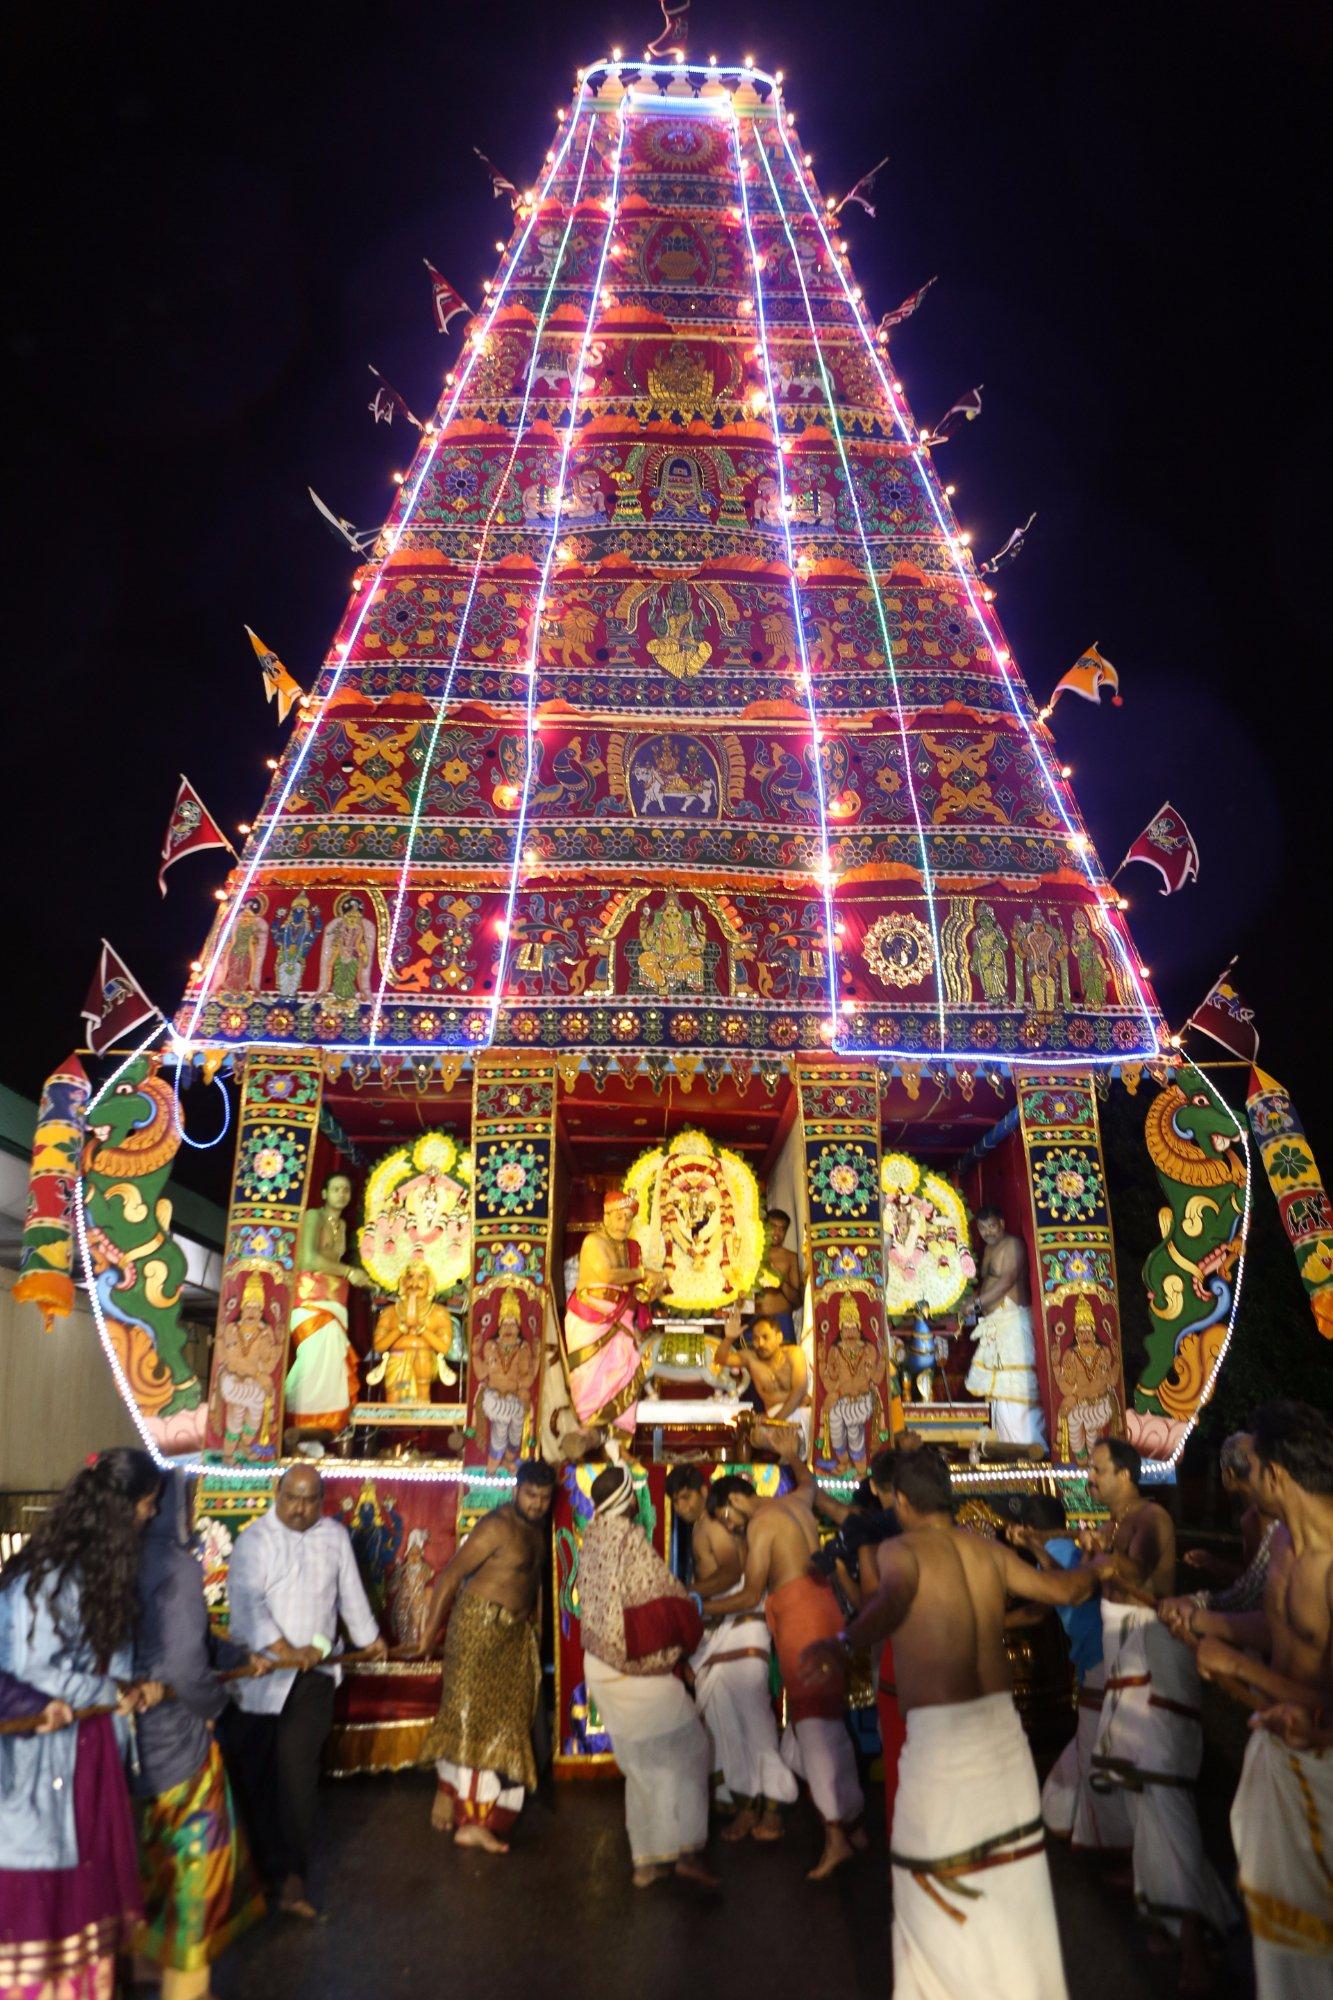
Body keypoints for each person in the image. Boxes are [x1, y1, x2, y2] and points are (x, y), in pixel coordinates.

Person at [801, 1443, 1103, 2000]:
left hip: (943, 1745)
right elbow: (1064, 1589)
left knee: (931, 1893)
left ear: (901, 1501)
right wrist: (1101, 1563)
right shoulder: (987, 1551)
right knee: (1007, 1893)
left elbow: (891, 1602)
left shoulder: (902, 1550)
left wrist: (844, 1639)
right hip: (1006, 1743)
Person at [1178, 1405, 1332, 1997]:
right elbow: (1280, 1627)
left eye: (1250, 1468)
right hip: (1278, 1749)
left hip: (1324, 1764)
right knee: (1279, 1929)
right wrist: (1208, 1624)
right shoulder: (1285, 1541)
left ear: (1274, 1475)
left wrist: (1239, 1668)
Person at [1, 1449, 165, 1999]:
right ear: (120, 1512)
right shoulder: (50, 1577)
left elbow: (108, 1662)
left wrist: (128, 1688)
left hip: (87, 1754)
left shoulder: (100, 1572)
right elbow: (31, 1667)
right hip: (44, 1758)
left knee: (85, 1889)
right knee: (42, 1892)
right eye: (147, 1505)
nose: (151, 1517)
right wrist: (110, 1692)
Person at [1083, 1436, 1234, 1992]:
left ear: (1126, 1473)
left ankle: (1194, 1936)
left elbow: (1135, 1568)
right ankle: (1176, 1922)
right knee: (1142, 1798)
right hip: (1128, 1662)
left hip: (1153, 1659)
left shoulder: (1148, 1518)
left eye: (1098, 1470)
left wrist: (1100, 1554)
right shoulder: (1118, 1522)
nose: (1090, 1480)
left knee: (1164, 1796)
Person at [221, 1463, 386, 1918]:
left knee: (297, 1777)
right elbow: (248, 1606)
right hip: (259, 1679)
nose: (300, 1507)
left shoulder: (333, 1537)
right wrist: (285, 1650)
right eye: (292, 1497)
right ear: (278, 1494)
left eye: (310, 1499)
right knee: (255, 1779)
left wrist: (368, 1639)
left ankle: (292, 1878)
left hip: (313, 1679)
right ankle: (254, 1877)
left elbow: (349, 1593)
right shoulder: (254, 1541)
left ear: (323, 1499)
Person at [132, 1472, 268, 1999]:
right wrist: (215, 1706)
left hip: (126, 1743)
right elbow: (187, 1665)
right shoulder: (175, 1565)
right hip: (177, 1745)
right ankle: (185, 1983)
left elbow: (187, 1639)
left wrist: (234, 1656)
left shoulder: (111, 1557)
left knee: (146, 1856)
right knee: (197, 1868)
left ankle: (148, 1961)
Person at [704, 1447, 865, 1879]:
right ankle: (853, 1820)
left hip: (799, 1616)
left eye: (725, 1518)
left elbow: (751, 1592)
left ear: (735, 1500)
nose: (730, 1527)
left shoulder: (761, 1524)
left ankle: (836, 1837)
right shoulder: (794, 1502)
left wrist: (701, 1606)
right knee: (824, 1720)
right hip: (824, 1607)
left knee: (814, 1727)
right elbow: (810, 1483)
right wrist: (793, 1456)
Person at [403, 1459, 556, 1854]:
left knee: (506, 1723)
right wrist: (427, 1637)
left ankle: (473, 1810)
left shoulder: (538, 1529)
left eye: (544, 1497)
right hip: (479, 1629)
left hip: (514, 1636)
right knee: (472, 1722)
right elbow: (451, 1574)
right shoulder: (498, 1526)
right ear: (515, 1490)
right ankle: (469, 1821)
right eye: (530, 1494)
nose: (537, 1504)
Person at [577, 1465, 716, 1889]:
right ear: (625, 1498)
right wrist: (687, 1626)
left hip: (598, 1665)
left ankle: (647, 1862)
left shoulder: (594, 1536)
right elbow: (663, 1595)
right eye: (634, 1491)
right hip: (632, 1670)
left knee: (642, 1765)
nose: (640, 1496)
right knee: (692, 1749)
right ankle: (687, 1851)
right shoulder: (630, 1540)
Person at [665, 1465, 796, 1842]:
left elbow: (732, 1572)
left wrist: (689, 1594)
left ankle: (772, 1807)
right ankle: (747, 1805)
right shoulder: (712, 1524)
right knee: (729, 1725)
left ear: (705, 1492)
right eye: (675, 1501)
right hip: (725, 1626)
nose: (681, 1506)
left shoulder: (711, 1525)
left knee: (752, 1720)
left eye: (686, 1496)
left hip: (741, 1621)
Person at [1008, 1493, 1132, 1856]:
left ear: (1032, 1529)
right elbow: (1040, 1610)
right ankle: (1076, 1825)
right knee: (1088, 1750)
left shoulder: (1060, 1551)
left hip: (1097, 1656)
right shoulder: (1064, 1549)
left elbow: (1056, 1597)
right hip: (1094, 1657)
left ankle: (1111, 1843)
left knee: (1094, 1752)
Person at [563, 1191, 667, 1460]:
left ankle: (618, 1445)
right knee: (588, 1379)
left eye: (628, 1219)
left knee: (624, 1371)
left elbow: (635, 1288)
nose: (623, 1224)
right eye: (618, 1217)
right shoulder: (593, 1242)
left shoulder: (632, 1247)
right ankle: (586, 1431)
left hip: (622, 1317)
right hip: (591, 1317)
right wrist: (644, 1273)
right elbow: (605, 1274)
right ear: (606, 1216)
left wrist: (654, 1286)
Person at [286, 1171, 370, 1443]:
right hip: (309, 1301)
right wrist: (349, 1272)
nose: (341, 1194)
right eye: (335, 1189)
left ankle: (319, 1430)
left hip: (335, 1303)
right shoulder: (314, 1217)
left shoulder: (343, 1226)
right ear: (324, 1194)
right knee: (312, 1364)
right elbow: (308, 1259)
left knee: (330, 1365)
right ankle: (295, 1424)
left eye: (346, 1189)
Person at [964, 1204, 1046, 1448]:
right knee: (998, 1392)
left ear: (1002, 1223)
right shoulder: (989, 1249)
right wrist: (968, 1301)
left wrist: (976, 1304)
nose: (988, 1232)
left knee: (1015, 1388)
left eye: (992, 1226)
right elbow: (989, 1283)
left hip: (1012, 1323)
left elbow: (1006, 1282)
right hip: (995, 1326)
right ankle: (1007, 1447)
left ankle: (1029, 1449)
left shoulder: (1013, 1245)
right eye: (982, 1228)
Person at [712, 1310, 811, 1453]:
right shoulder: (750, 1358)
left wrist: (777, 1421)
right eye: (756, 1338)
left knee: (793, 1436)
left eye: (765, 1337)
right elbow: (720, 1359)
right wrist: (729, 1338)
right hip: (772, 1420)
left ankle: (792, 1459)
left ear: (779, 1337)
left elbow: (800, 1389)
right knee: (757, 1437)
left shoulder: (794, 1353)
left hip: (797, 1413)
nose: (760, 1343)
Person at [367, 1257, 458, 1405]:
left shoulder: (439, 1312)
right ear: (402, 1282)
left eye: (421, 1277)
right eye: (409, 1277)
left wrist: (422, 1330)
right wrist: (399, 1330)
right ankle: (394, 1412)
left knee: (422, 1357)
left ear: (430, 1283)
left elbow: (444, 1347)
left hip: (426, 1362)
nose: (414, 1283)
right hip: (396, 1361)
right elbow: (379, 1346)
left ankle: (422, 1403)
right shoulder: (390, 1312)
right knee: (396, 1376)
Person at [753, 1207, 802, 1338]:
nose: (777, 1232)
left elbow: (798, 1301)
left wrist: (780, 1280)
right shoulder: (752, 1254)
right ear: (764, 1226)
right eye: (773, 1226)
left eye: (782, 1229)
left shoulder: (791, 1258)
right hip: (753, 1320)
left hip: (781, 1321)